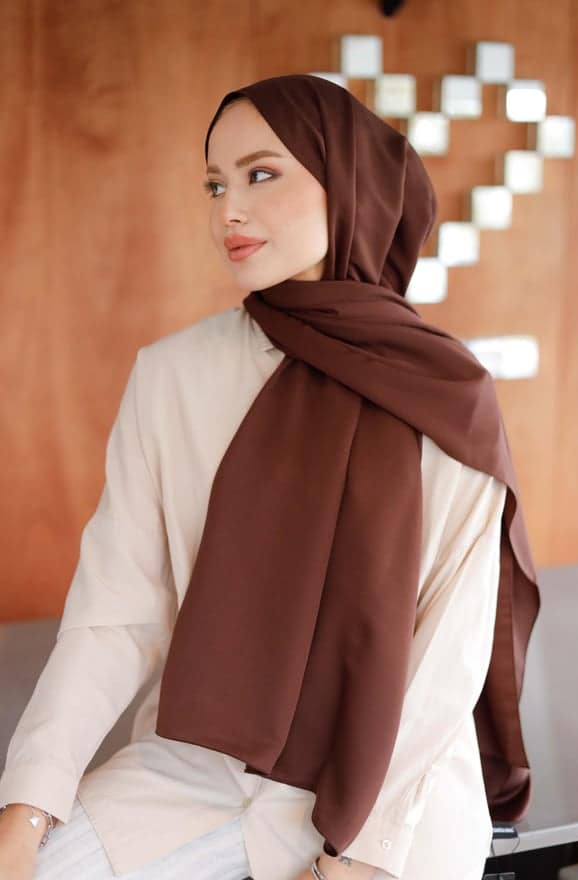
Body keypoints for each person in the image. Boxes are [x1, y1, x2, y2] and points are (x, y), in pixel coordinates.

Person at [0, 74, 539, 880]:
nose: (229, 210)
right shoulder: (172, 376)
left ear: (347, 183)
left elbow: (443, 662)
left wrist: (356, 859)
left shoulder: (447, 395)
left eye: (260, 174)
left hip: (392, 800)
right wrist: (28, 805)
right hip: (193, 772)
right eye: (214, 185)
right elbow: (116, 614)